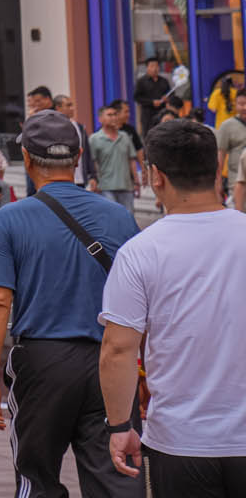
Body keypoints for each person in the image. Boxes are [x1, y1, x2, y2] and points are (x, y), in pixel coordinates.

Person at [0, 110, 140, 498]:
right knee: (117, 474)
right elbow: (139, 299)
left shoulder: (10, 219)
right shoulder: (119, 216)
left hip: (43, 362)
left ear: (26, 159)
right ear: (79, 157)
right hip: (110, 358)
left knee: (37, 477)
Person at [99, 118, 246, 490]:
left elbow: (117, 348)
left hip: (181, 440)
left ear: (155, 177)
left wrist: (120, 426)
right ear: (217, 168)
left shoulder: (139, 252)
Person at [93, 105, 143, 217]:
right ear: (100, 119)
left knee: (128, 218)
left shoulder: (125, 137)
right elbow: (94, 163)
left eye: (115, 114)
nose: (113, 117)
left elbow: (131, 160)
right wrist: (95, 181)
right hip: (106, 187)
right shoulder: (94, 139)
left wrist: (136, 181)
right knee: (112, 218)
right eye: (109, 115)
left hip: (126, 186)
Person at [218, 97, 246, 211]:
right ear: (235, 105)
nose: (245, 107)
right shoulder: (227, 126)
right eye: (241, 104)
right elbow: (221, 155)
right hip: (235, 181)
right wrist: (218, 183)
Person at [132, 58, 173, 125]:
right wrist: (152, 102)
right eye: (152, 66)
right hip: (148, 115)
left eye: (157, 66)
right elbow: (137, 97)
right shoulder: (141, 81)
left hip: (162, 114)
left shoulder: (164, 81)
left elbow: (171, 94)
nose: (154, 69)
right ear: (147, 67)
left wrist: (167, 98)